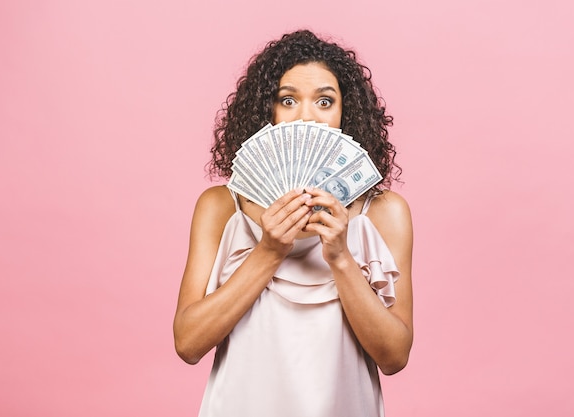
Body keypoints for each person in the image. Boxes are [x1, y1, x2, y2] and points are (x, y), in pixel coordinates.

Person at [173, 30, 413, 417]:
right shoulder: (220, 207)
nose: (306, 116)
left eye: (324, 101)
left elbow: (394, 356)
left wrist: (340, 257)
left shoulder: (385, 213)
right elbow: (188, 343)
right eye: (288, 100)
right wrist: (269, 250)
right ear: (266, 113)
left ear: (344, 114)